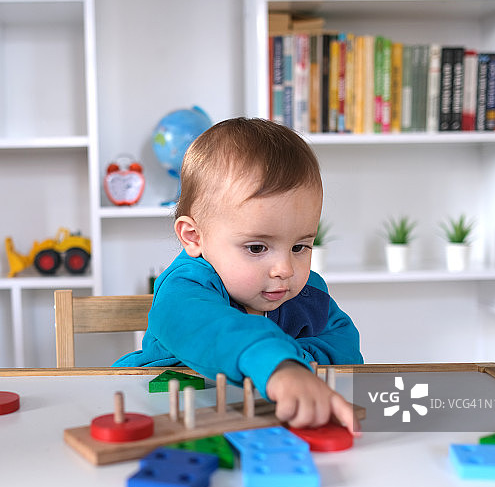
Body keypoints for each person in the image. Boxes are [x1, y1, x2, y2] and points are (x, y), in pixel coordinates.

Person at [114, 117, 363, 434]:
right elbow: (212, 329)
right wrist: (279, 365)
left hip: (258, 420)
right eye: (258, 248)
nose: (285, 269)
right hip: (161, 416)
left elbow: (345, 346)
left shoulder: (306, 291)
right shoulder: (184, 288)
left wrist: (297, 363)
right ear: (194, 237)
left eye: (300, 246)